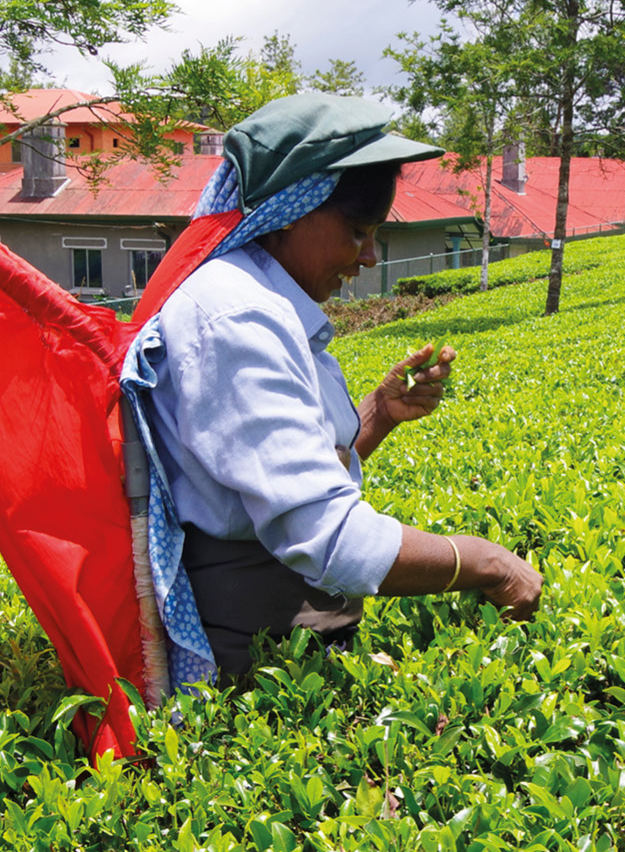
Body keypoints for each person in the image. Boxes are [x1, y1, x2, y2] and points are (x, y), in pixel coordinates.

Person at [121, 94, 543, 687]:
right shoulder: (237, 316)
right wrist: (486, 562)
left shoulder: (261, 298)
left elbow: (270, 479)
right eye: (357, 232)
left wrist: (378, 414)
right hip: (255, 654)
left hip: (295, 635)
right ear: (292, 210)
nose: (369, 257)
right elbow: (330, 539)